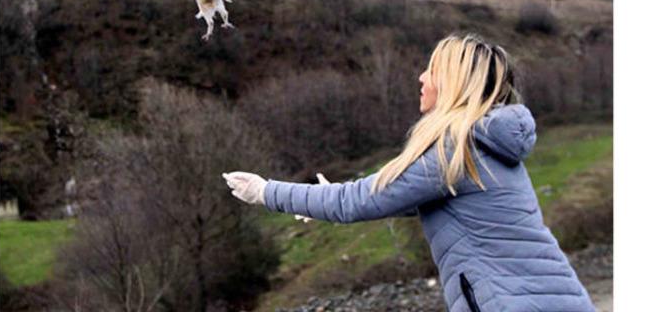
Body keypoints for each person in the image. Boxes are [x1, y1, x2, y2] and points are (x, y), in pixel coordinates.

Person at [223, 34, 595, 311]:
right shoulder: (485, 147)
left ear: (452, 83)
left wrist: (266, 192)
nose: (420, 77)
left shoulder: (457, 151)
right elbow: (400, 197)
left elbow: (357, 202)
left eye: (431, 71)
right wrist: (320, 200)